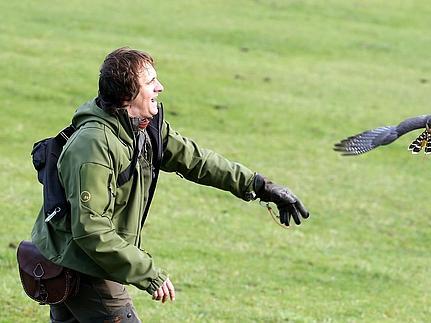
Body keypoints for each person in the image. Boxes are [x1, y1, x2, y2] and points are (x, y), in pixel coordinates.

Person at [30, 47, 309, 322]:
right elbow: (91, 230)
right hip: (80, 266)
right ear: (128, 95)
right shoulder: (94, 146)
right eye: (151, 82)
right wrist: (149, 272)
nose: (160, 87)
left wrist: (259, 185)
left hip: (87, 259)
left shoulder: (143, 127)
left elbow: (197, 160)